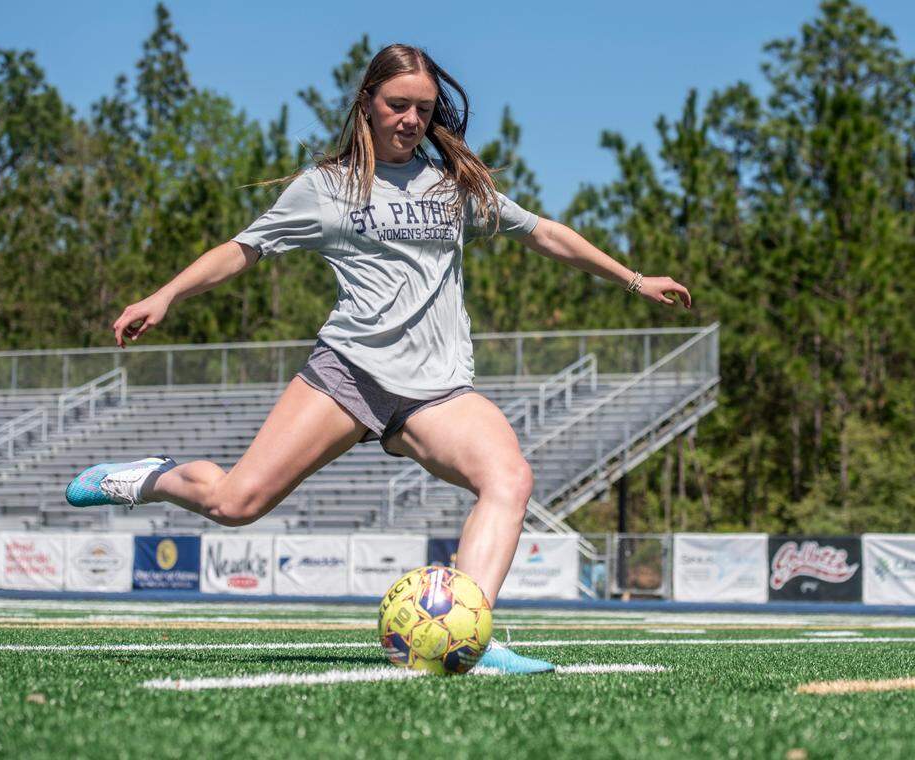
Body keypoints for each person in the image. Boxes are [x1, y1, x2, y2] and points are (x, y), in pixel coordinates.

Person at [66, 43, 691, 674]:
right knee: (236, 505)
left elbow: (542, 232)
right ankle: (152, 477)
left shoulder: (454, 187)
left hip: (437, 391)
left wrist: (634, 278)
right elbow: (243, 249)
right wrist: (166, 293)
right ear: (367, 102)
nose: (411, 120)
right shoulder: (327, 188)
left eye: (423, 109)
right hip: (351, 372)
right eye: (398, 105)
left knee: (509, 478)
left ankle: (473, 633)